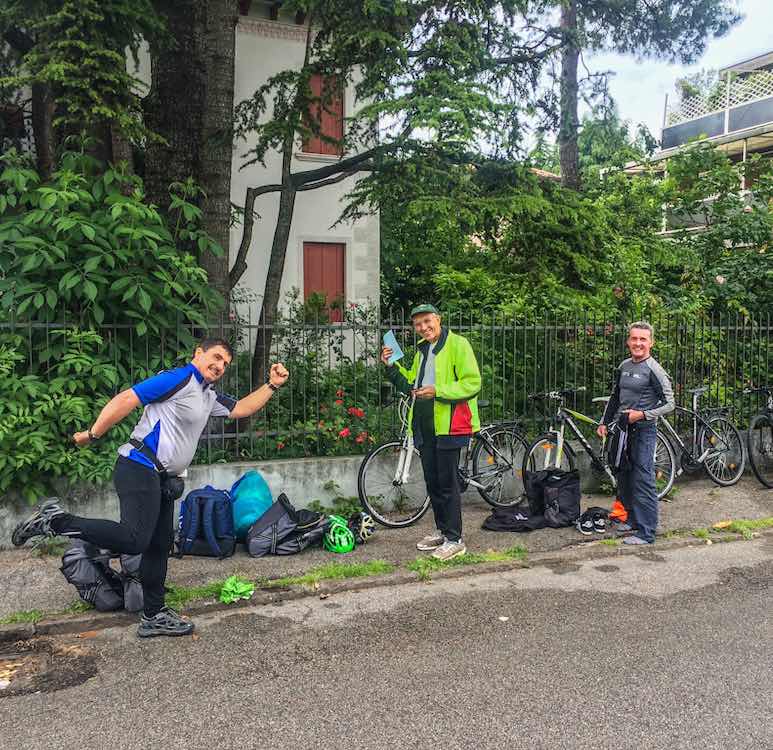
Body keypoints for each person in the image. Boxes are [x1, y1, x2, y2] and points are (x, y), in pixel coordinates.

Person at [12, 338, 289, 638]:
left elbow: (243, 408)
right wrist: (93, 434)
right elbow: (126, 399)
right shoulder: (178, 379)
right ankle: (54, 521)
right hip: (138, 467)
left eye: (225, 364)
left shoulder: (207, 395)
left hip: (162, 479)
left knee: (159, 545)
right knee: (134, 540)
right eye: (216, 357)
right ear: (198, 353)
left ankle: (154, 614)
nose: (220, 366)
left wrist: (272, 385)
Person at [381, 304, 481, 561]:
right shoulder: (422, 351)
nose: (423, 327)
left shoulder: (459, 345)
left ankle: (455, 540)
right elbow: (411, 385)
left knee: (447, 484)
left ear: (438, 319)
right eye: (418, 324)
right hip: (424, 425)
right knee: (433, 482)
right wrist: (391, 366)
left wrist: (438, 390)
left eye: (427, 321)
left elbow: (472, 382)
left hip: (450, 425)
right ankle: (443, 531)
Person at [596, 321, 674, 545]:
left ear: (651, 342)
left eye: (643, 339)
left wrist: (642, 414)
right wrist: (604, 422)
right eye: (634, 338)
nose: (638, 343)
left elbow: (670, 404)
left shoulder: (654, 370)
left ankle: (647, 531)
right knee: (624, 476)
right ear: (628, 341)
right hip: (622, 430)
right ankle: (630, 520)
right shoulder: (624, 366)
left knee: (643, 479)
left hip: (643, 431)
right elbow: (615, 396)